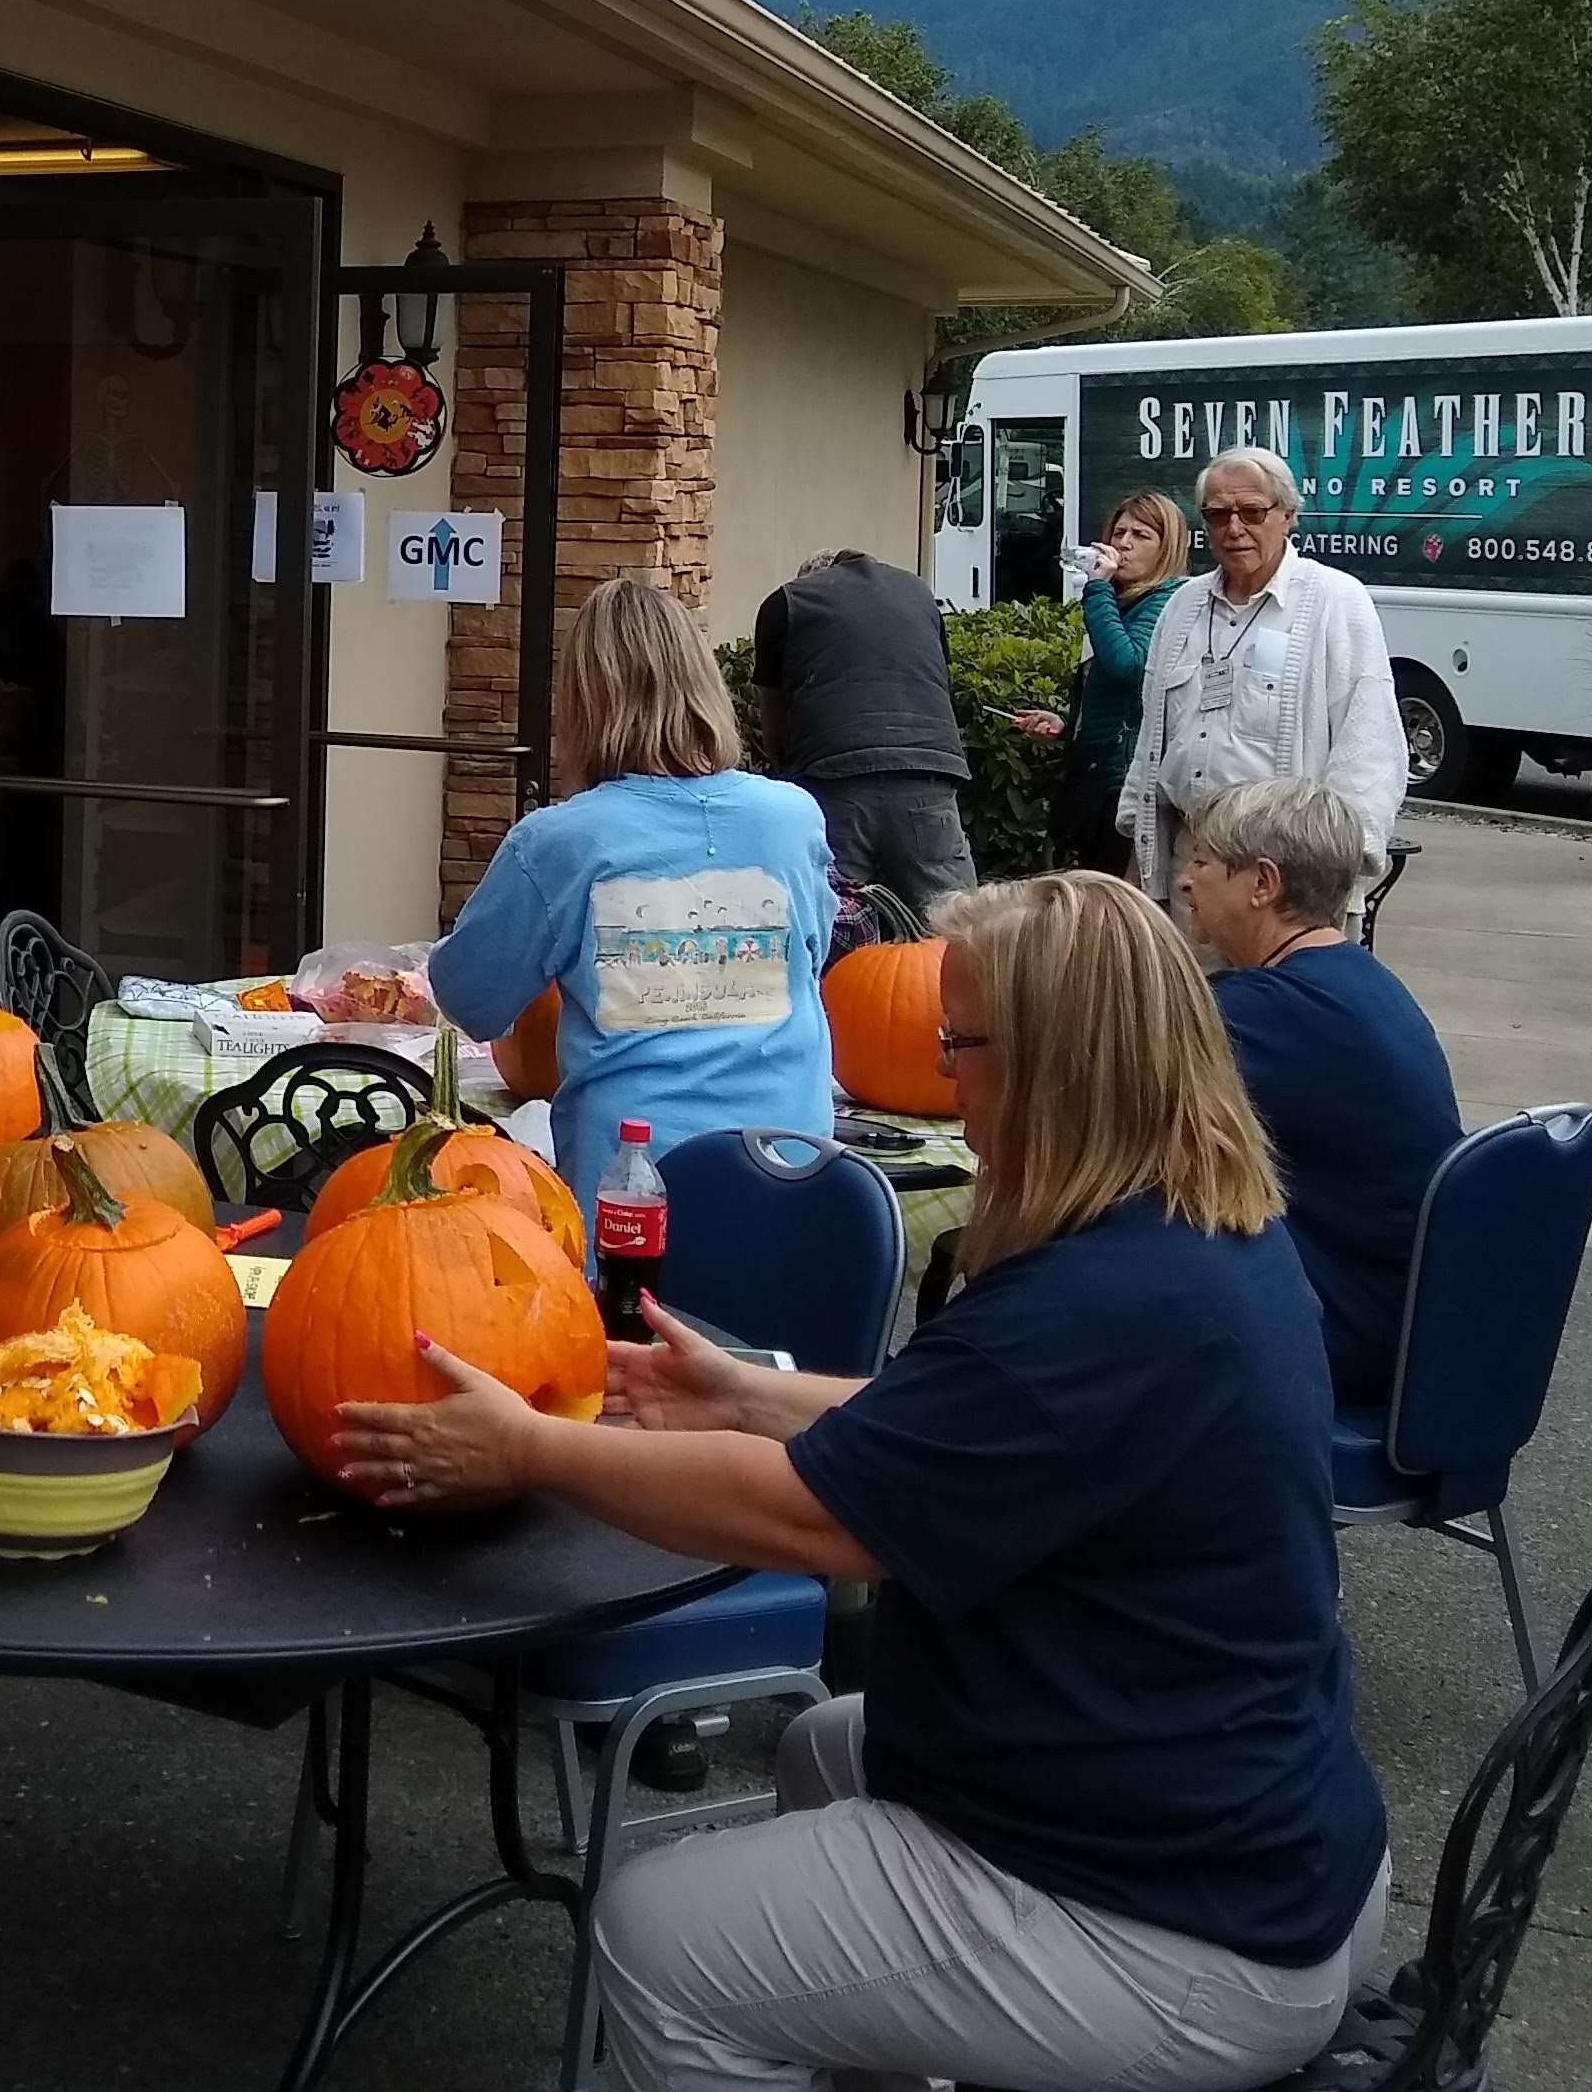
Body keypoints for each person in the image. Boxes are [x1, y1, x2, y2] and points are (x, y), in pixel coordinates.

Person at [338, 871, 1390, 2092]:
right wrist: (749, 1394)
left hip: (1179, 1930)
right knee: (827, 1748)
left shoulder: (1092, 1304)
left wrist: (527, 1447)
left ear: (1053, 1066)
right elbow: (966, 1435)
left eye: (961, 1044)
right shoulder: (1195, 1236)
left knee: (652, 1936)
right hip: (1255, 1830)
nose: (942, 1075)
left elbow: (814, 1517)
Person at [429, 575, 835, 1213]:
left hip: (629, 1190)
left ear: (581, 703)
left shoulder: (559, 842)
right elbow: (810, 959)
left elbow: (469, 999)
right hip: (793, 1178)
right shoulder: (793, 819)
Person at [1183, 777, 1463, 1411]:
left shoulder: (1267, 1011)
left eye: (1201, 861)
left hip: (1338, 1335)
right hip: (1407, 1322)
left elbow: (1098, 1093)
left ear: (1262, 883)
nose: (1185, 881)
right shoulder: (1358, 980)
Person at [1124, 446, 1412, 914]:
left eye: (1253, 512)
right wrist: (1141, 860)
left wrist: (1330, 876)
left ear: (1288, 516)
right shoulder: (1182, 607)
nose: (1234, 528)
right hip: (1188, 862)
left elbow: (1369, 744)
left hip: (1286, 874)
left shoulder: (1335, 601)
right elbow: (1152, 740)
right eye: (1218, 515)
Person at [751, 547, 975, 911]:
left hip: (835, 779)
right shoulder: (918, 593)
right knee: (953, 920)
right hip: (927, 775)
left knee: (832, 918)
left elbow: (773, 721)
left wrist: (785, 773)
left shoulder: (787, 603)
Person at [1014, 489, 1187, 875]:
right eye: (1119, 532)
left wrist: (1097, 589)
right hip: (1096, 776)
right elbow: (1107, 689)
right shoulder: (1123, 601)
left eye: (1141, 535)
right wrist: (1067, 725)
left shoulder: (1164, 601)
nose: (1123, 544)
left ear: (1166, 548)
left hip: (1125, 781)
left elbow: (1127, 667)